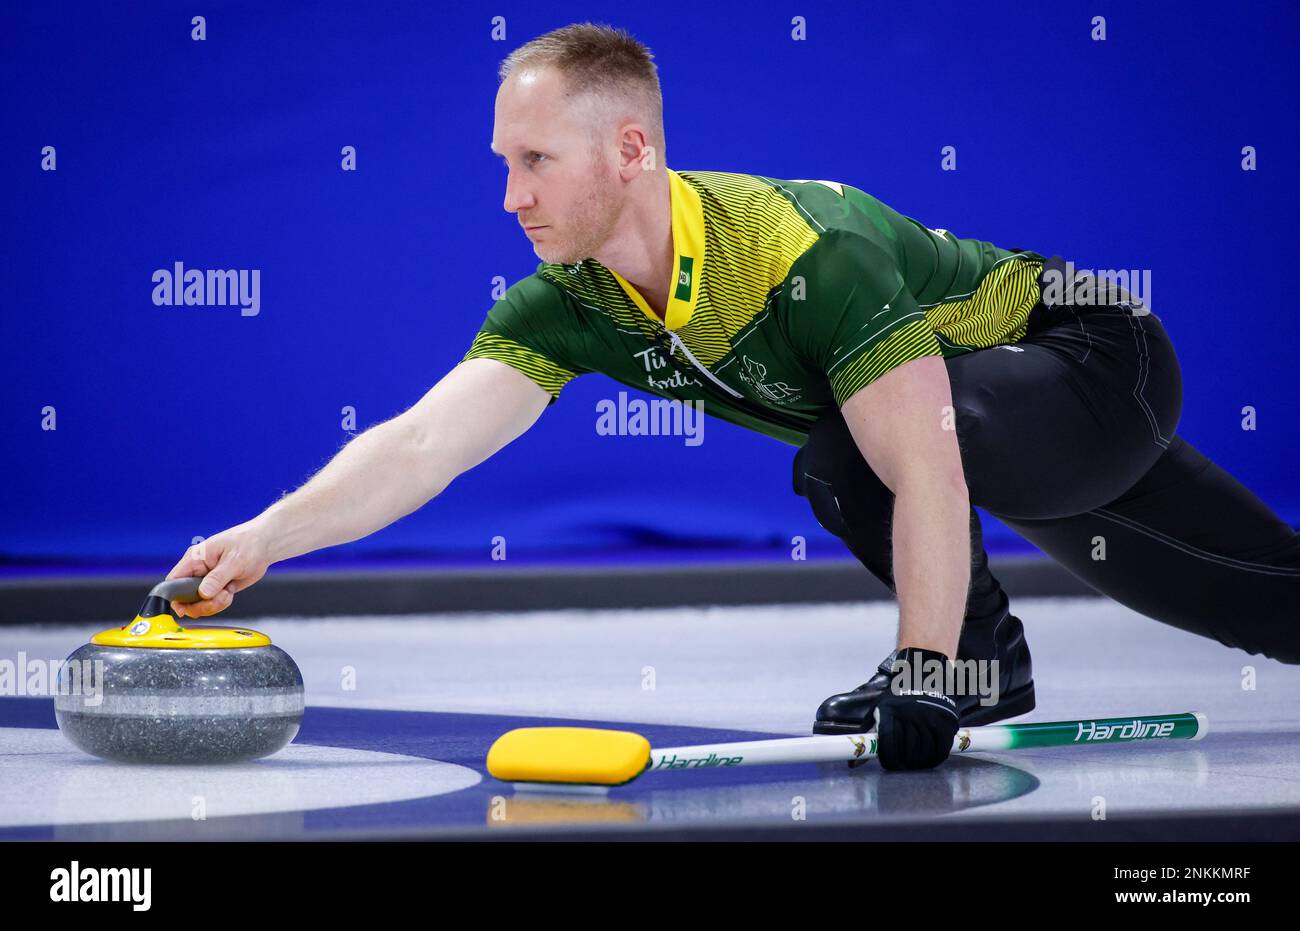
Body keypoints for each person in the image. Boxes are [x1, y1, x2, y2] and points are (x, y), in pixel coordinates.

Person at [166, 23, 1300, 771]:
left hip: (1094, 355)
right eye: (501, 166)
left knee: (857, 456)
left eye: (534, 163)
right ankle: (985, 657)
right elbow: (421, 446)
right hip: (999, 422)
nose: (509, 197)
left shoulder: (806, 250)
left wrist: (921, 667)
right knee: (1264, 598)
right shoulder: (571, 301)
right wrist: (265, 536)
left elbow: (925, 467)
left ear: (628, 147)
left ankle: (966, 657)